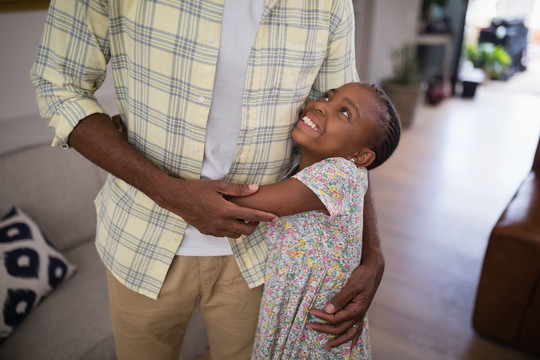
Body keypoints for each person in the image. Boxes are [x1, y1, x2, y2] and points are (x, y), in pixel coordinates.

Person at [31, 1, 385, 359]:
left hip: (261, 256)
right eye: (326, 100)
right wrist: (164, 189)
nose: (324, 104)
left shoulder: (329, 4)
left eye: (336, 105)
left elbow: (352, 145)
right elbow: (59, 87)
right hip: (138, 241)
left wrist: (373, 255)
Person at [227, 82, 400, 359]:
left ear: (360, 156)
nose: (321, 105)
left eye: (344, 113)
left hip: (314, 330)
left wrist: (182, 191)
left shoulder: (339, 175)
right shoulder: (309, 161)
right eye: (328, 97)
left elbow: (240, 203)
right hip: (290, 312)